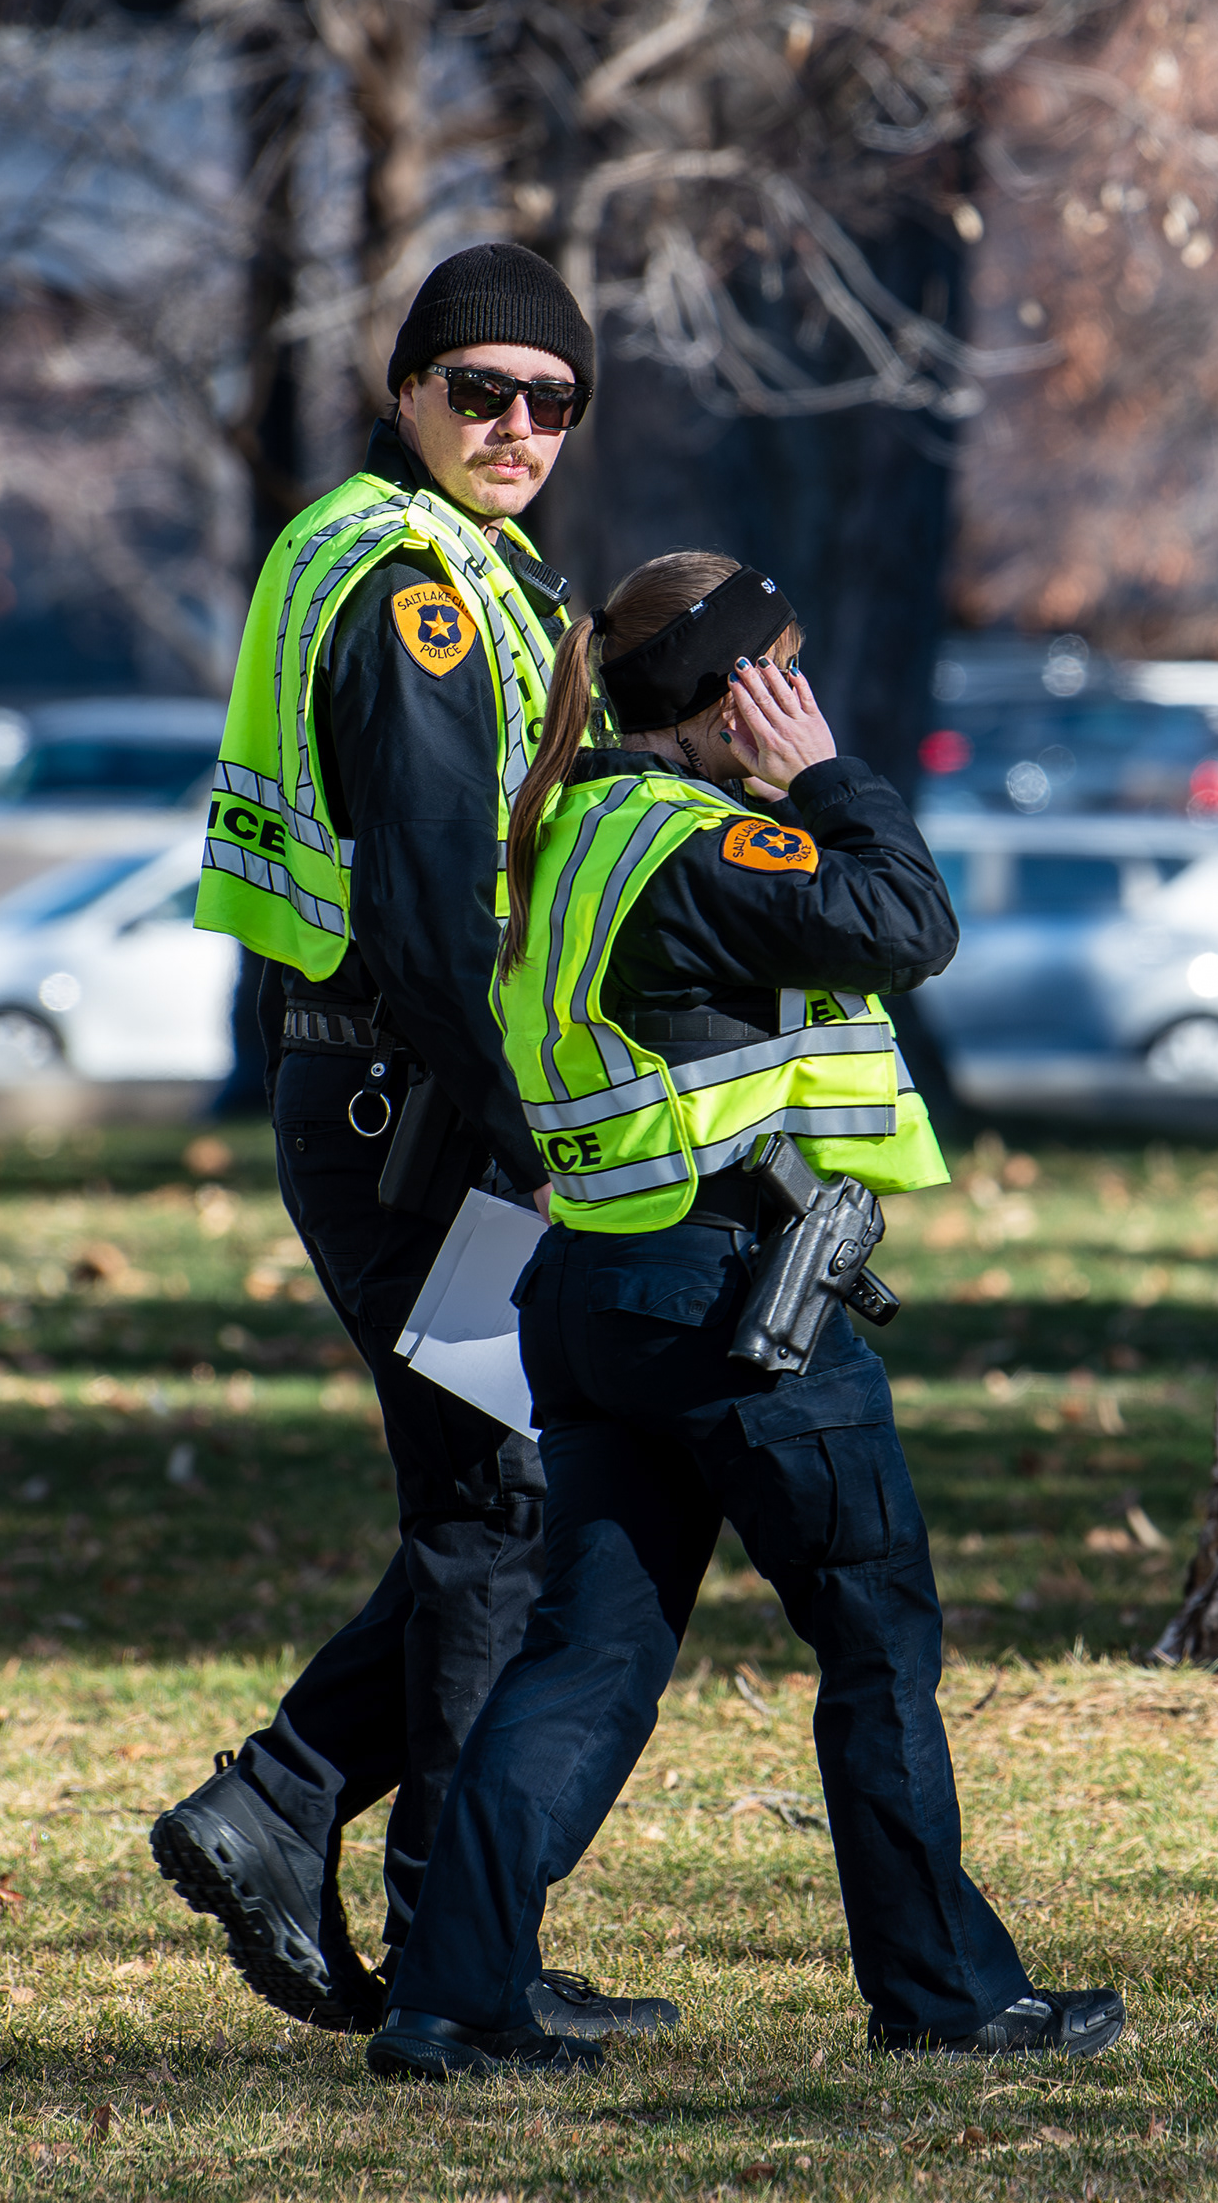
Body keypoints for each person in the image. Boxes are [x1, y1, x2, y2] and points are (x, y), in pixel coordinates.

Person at [360, 550, 1123, 2079]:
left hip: (592, 1292)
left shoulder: (569, 823)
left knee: (584, 1656)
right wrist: (830, 776)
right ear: (733, 696)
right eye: (784, 672)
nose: (803, 699)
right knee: (875, 1643)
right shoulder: (694, 848)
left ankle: (454, 2001)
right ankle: (947, 1996)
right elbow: (907, 926)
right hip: (736, 1302)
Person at [154, 243, 666, 2045]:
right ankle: (395, 1903)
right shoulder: (417, 592)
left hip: (391, 1094)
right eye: (480, 391)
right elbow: (446, 917)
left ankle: (362, 1864)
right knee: (502, 1507)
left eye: (552, 399)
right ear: (408, 393)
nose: (517, 425)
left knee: (497, 1505)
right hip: (421, 1105)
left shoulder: (436, 562)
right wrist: (541, 1142)